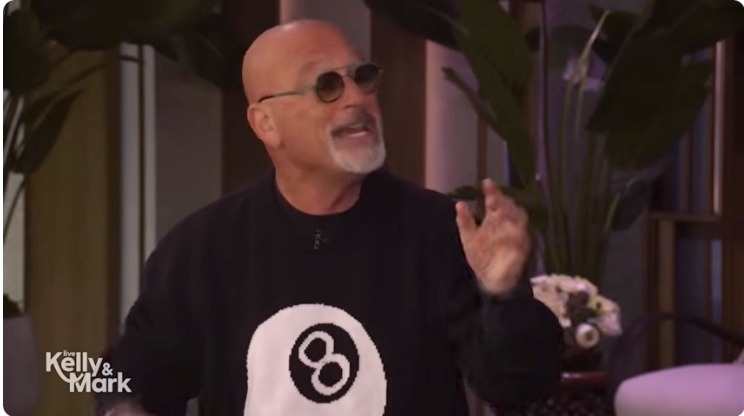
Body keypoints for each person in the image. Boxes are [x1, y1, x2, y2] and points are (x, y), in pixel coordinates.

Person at [96, 19, 562, 416]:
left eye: (362, 77)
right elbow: (122, 377)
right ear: (266, 124)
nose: (357, 98)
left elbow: (518, 386)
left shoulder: (438, 229)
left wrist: (504, 296)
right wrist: (123, 407)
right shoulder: (203, 247)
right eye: (327, 86)